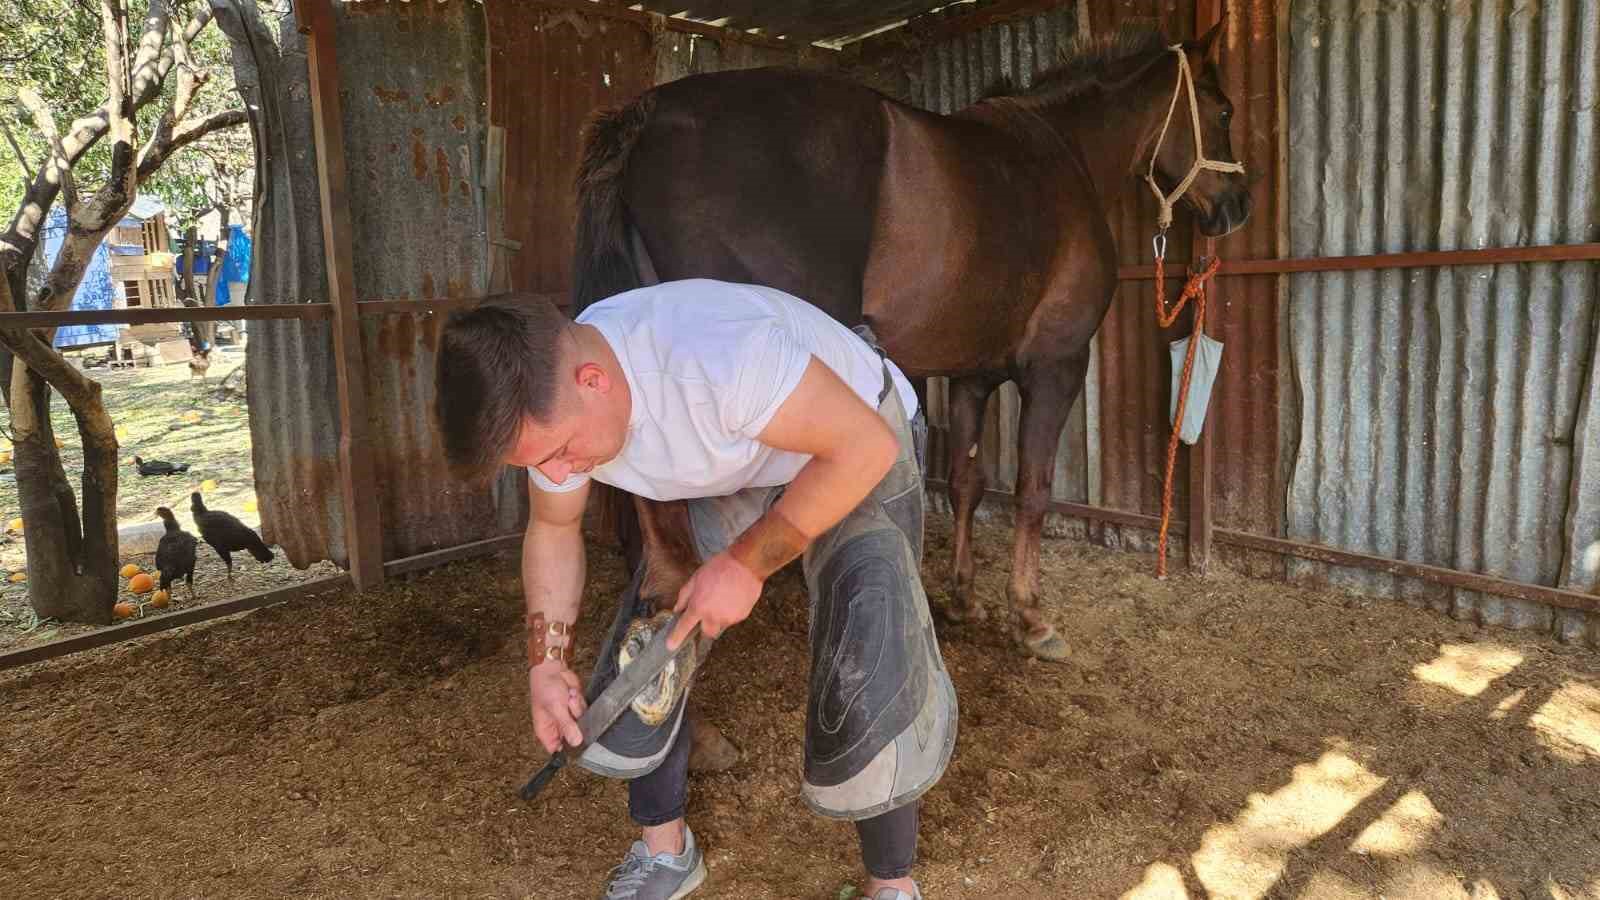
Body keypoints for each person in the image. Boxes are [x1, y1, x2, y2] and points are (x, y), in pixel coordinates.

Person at [435, 278, 957, 900]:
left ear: (593, 381)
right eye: (535, 466)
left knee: (870, 631)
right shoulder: (554, 396)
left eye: (562, 453)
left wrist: (745, 564)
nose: (557, 473)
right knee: (654, 636)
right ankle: (666, 855)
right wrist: (545, 664)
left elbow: (865, 447)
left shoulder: (717, 356)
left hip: (857, 436)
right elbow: (553, 525)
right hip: (744, 457)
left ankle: (891, 885)